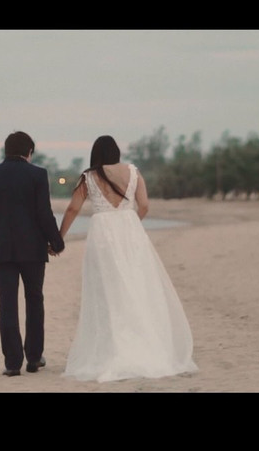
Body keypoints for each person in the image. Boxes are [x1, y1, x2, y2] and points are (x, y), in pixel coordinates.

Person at [58, 135, 198, 382]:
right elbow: (144, 205)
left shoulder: (89, 176)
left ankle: (114, 347)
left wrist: (59, 238)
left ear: (96, 154)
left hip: (102, 233)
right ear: (116, 152)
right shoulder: (133, 172)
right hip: (130, 231)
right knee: (137, 287)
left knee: (107, 291)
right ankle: (145, 343)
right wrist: (130, 223)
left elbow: (72, 209)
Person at [0, 131, 66, 377]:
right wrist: (56, 242)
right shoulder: (37, 175)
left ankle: (12, 363)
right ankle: (34, 358)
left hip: (1, 249)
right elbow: (44, 213)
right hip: (33, 249)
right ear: (29, 152)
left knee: (7, 304)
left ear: (6, 151)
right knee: (34, 300)